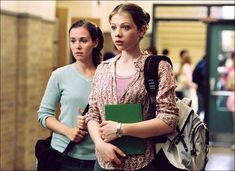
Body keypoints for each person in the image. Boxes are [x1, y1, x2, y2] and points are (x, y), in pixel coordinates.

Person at [85, 3, 179, 171]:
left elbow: (169, 119)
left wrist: (121, 129)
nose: (117, 34)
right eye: (113, 28)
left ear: (142, 30)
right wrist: (99, 144)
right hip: (103, 162)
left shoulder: (158, 67)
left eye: (126, 27)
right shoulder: (103, 68)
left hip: (141, 163)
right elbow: (92, 113)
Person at [37, 19, 104, 171]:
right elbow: (43, 115)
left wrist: (93, 120)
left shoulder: (107, 76)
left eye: (83, 40)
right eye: (73, 41)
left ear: (95, 42)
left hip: (98, 159)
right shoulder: (59, 75)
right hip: (63, 155)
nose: (77, 46)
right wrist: (68, 131)